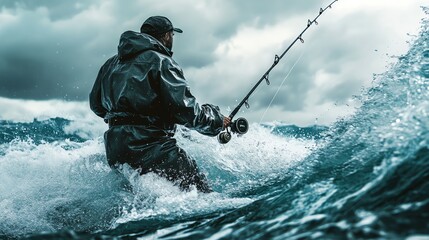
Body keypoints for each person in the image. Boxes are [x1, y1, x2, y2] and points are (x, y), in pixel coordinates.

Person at [89, 16, 230, 193]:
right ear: (165, 36)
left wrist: (125, 117)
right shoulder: (162, 62)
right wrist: (216, 119)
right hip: (152, 148)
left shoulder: (110, 64)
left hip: (116, 149)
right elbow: (186, 111)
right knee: (201, 194)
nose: (172, 39)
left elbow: (96, 105)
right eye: (172, 35)